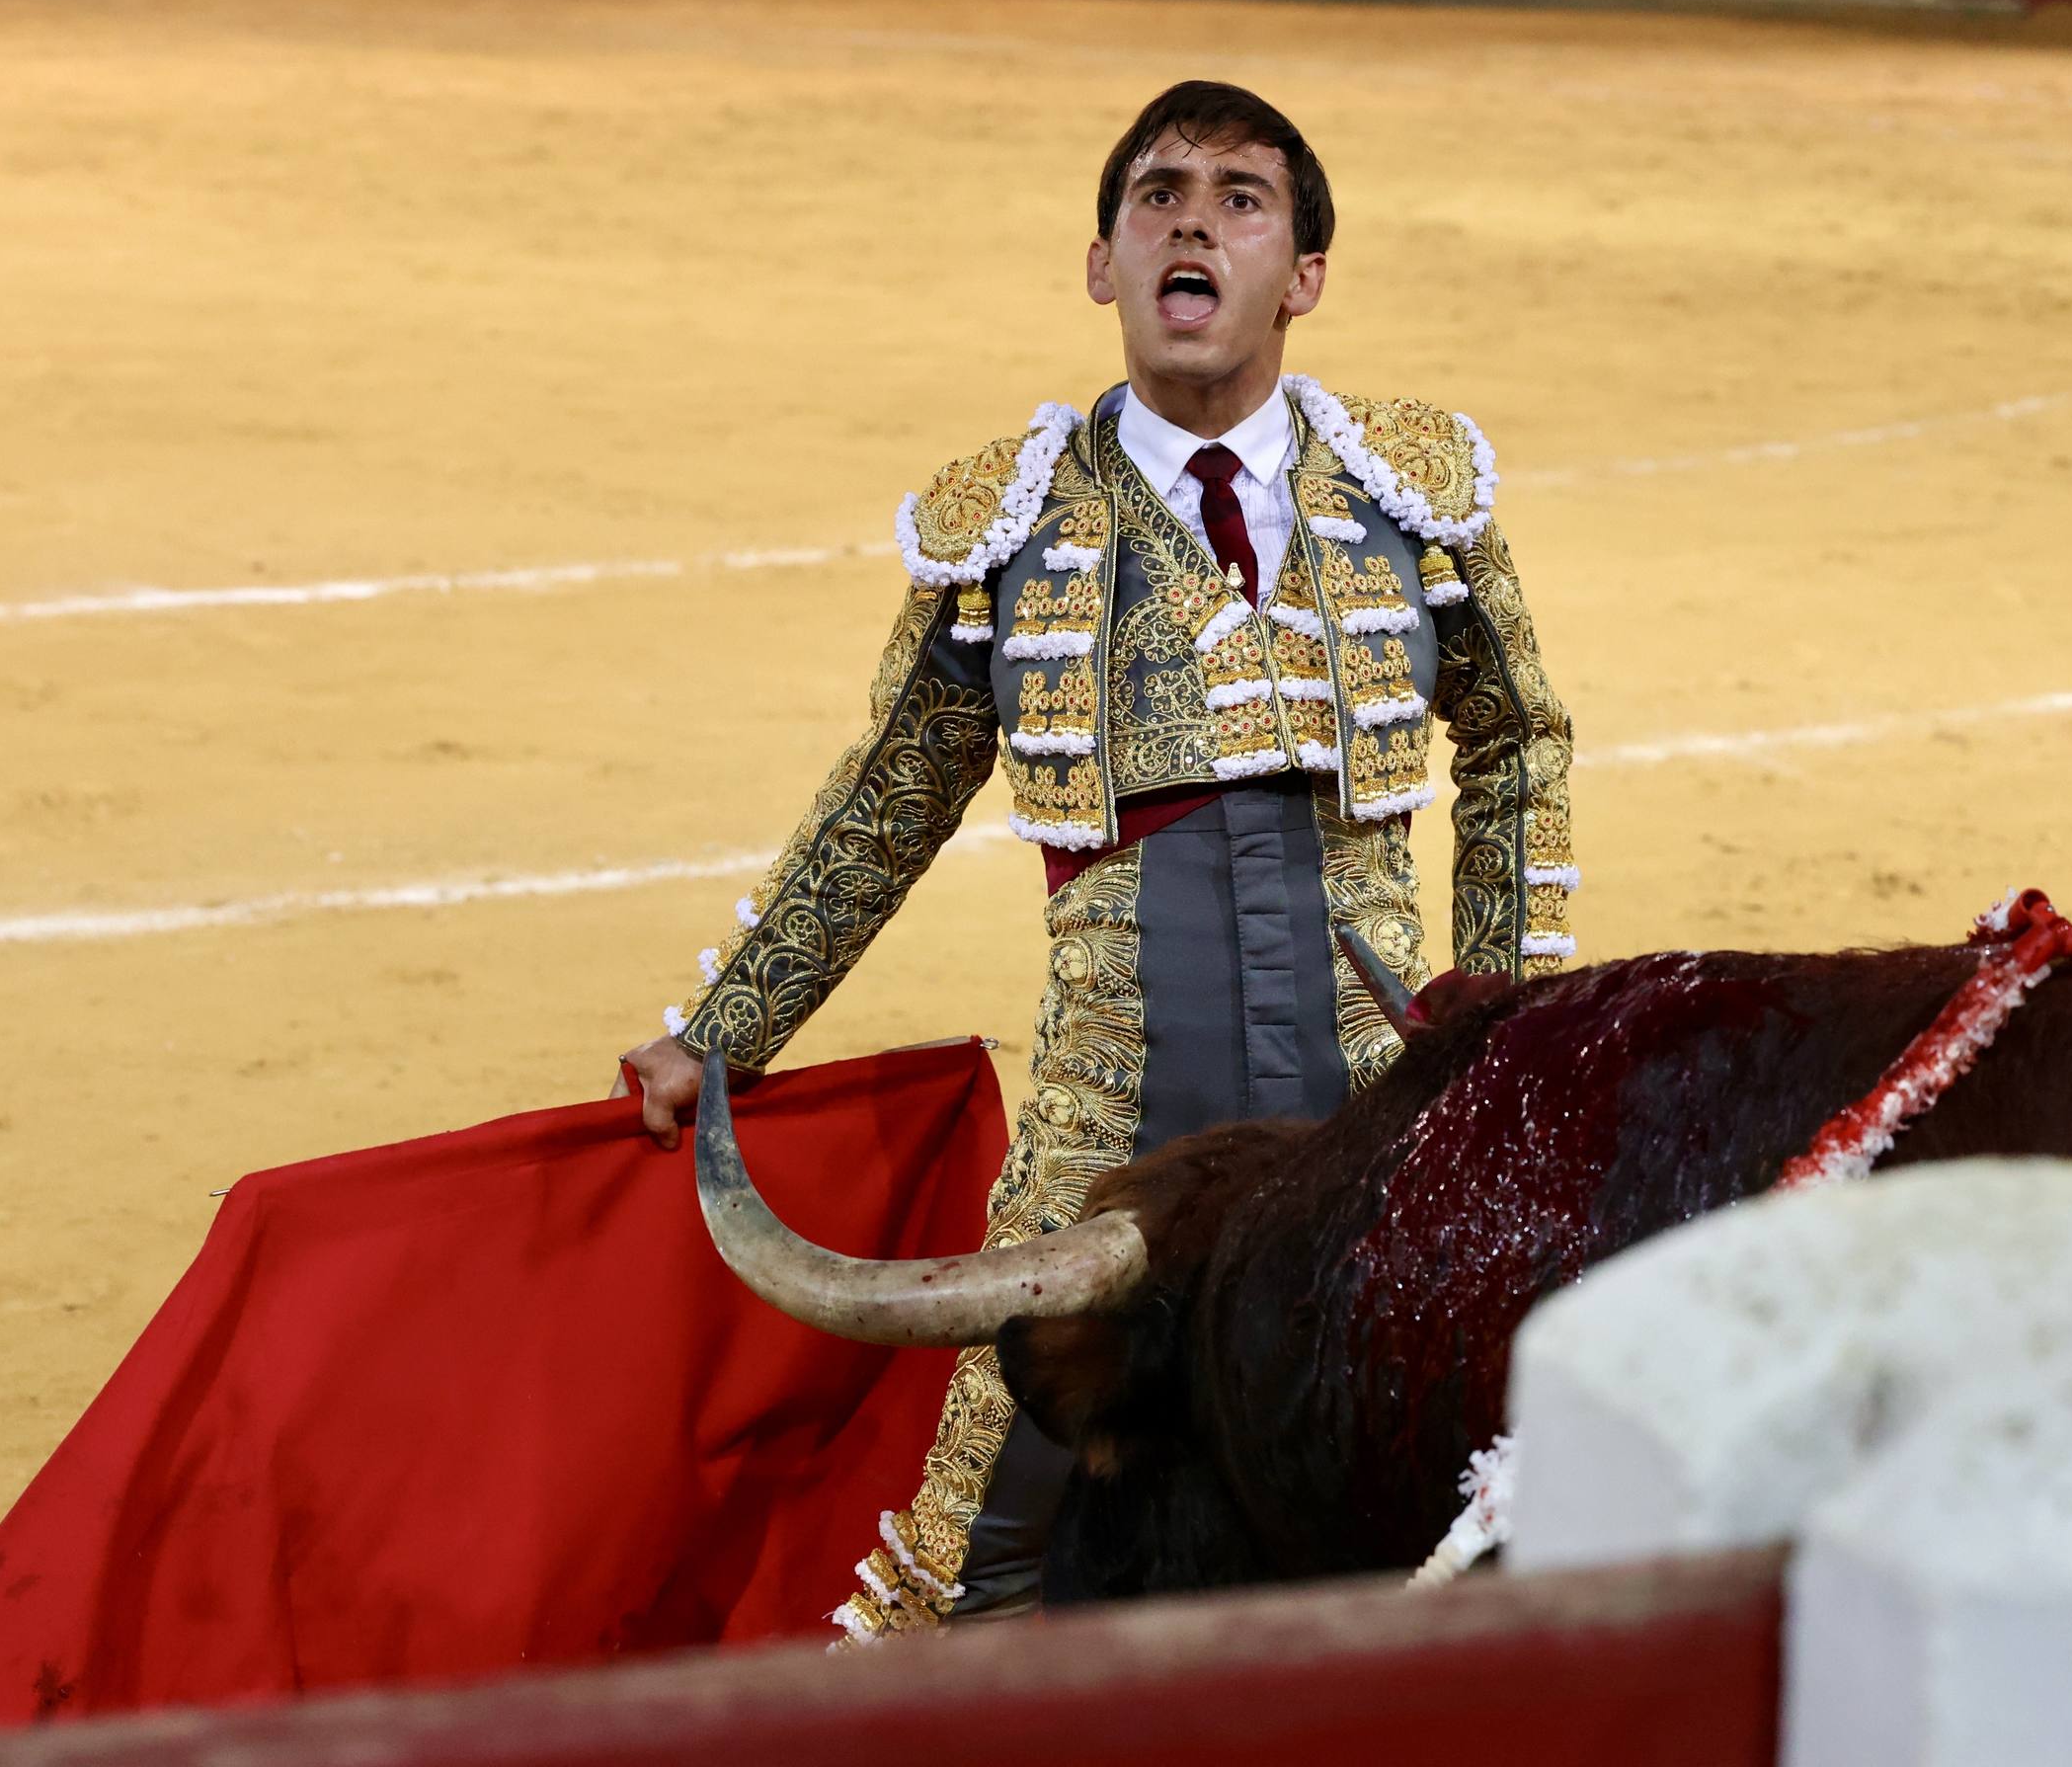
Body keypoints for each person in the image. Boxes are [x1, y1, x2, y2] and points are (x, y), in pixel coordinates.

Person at [616, 79, 1575, 1635]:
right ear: (1104, 262)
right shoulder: (1007, 528)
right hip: (1110, 1126)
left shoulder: (1416, 500)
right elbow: (888, 802)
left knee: (1434, 1517)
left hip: (1370, 1116)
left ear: (1303, 277)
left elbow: (1522, 738)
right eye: (1159, 194)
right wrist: (720, 1034)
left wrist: (1504, 1027)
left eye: (1241, 197)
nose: (1193, 217)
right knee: (979, 1546)